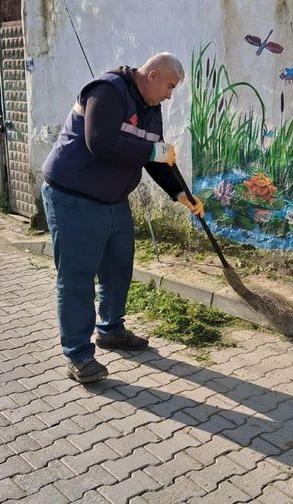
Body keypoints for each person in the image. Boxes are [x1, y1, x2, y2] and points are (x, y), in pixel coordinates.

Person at [41, 52, 204, 383]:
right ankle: (78, 356)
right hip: (73, 197)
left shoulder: (150, 109)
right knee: (77, 276)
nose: (170, 95)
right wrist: (152, 151)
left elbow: (154, 157)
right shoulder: (107, 91)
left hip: (112, 199)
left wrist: (180, 194)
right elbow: (99, 142)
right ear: (154, 75)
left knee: (118, 267)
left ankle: (111, 329)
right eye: (170, 87)